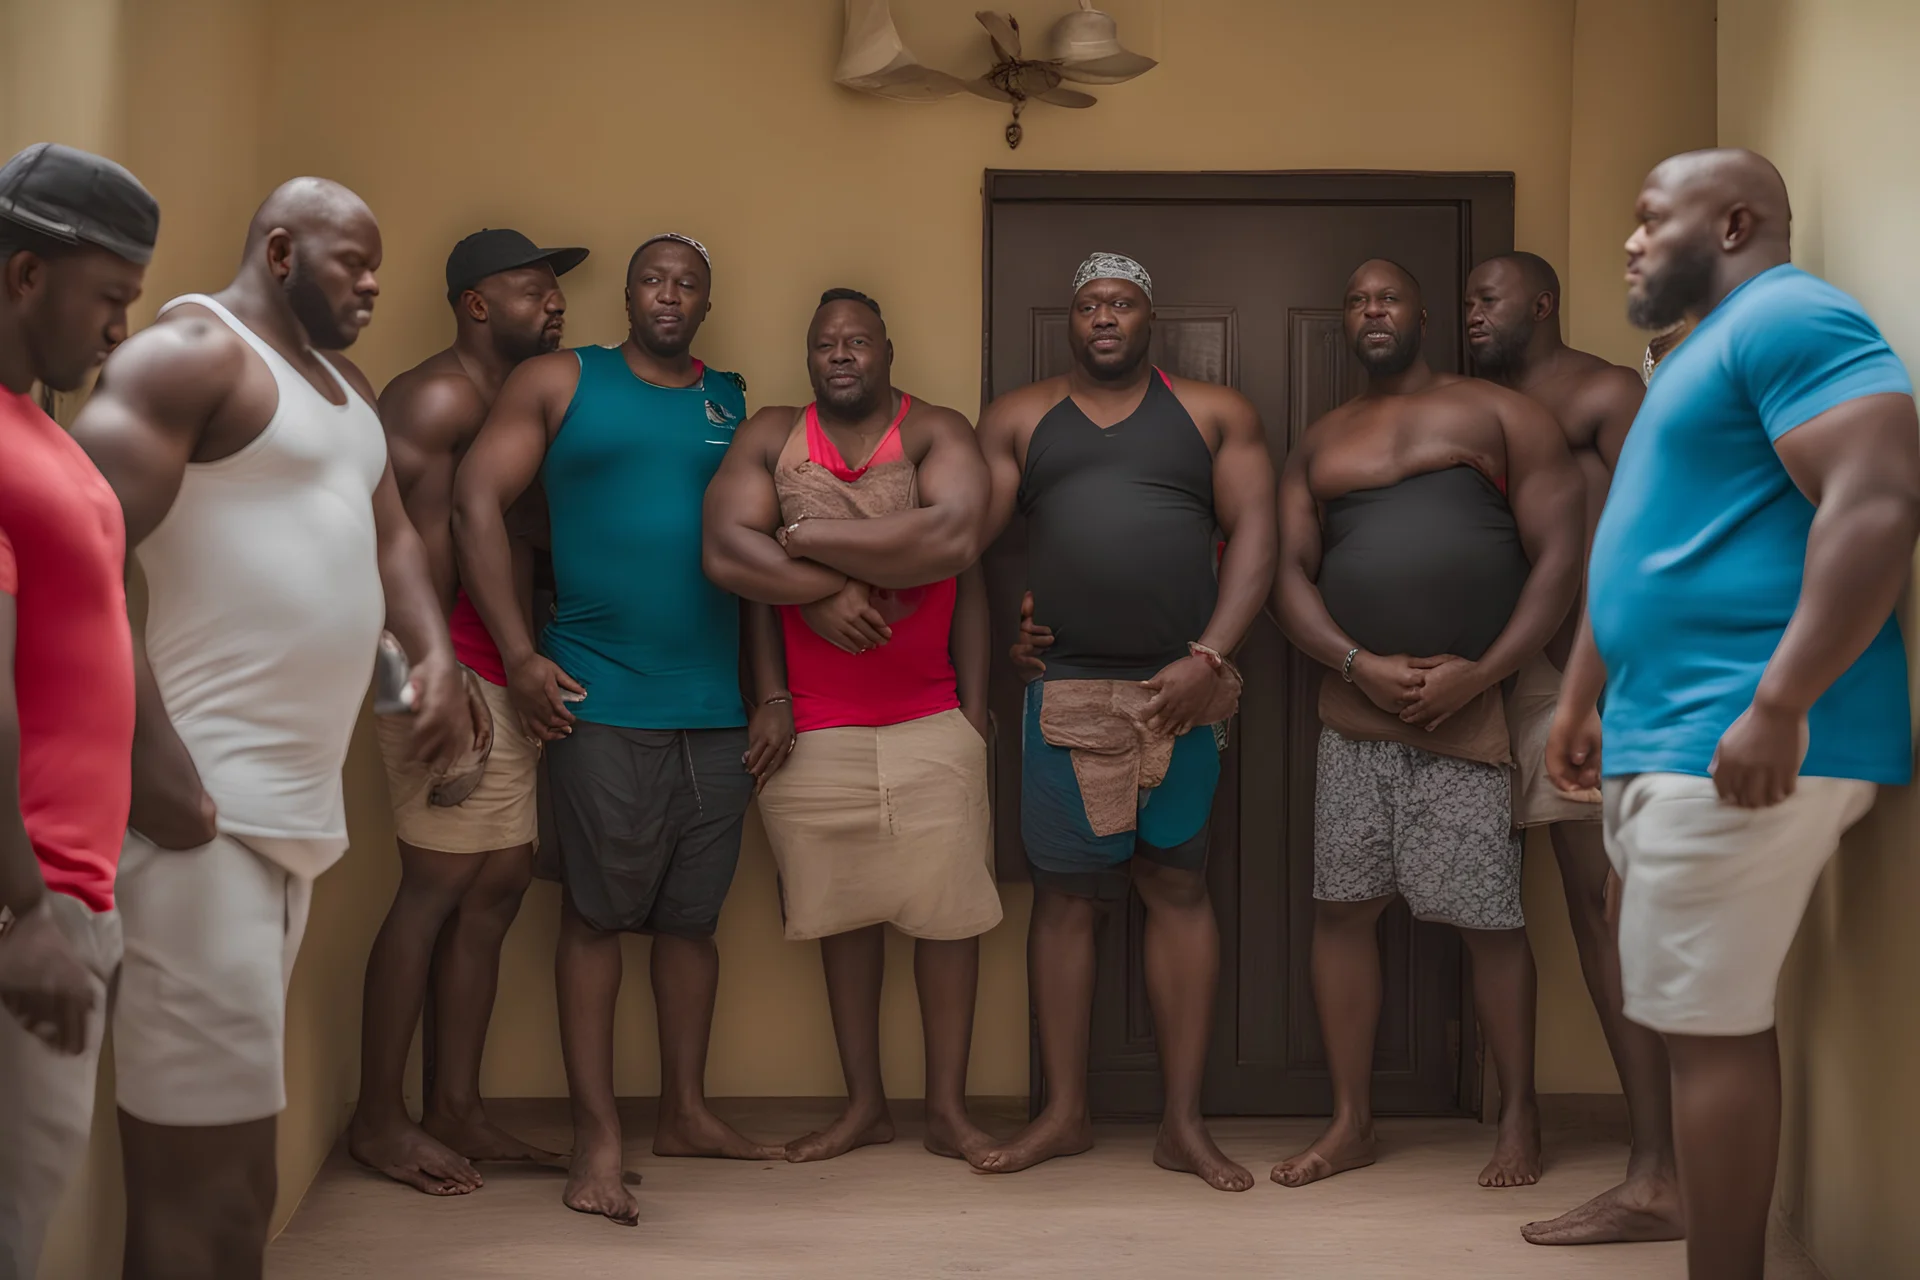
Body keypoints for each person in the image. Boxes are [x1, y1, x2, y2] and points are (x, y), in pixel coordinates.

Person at [69, 177, 474, 1278]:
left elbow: (389, 542)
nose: (376, 285)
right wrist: (159, 771)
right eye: (357, 264)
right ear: (284, 250)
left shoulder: (345, 387)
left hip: (285, 825)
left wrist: (427, 655)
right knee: (207, 1191)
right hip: (203, 820)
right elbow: (72, 566)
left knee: (234, 1188)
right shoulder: (191, 354)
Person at [1549, 148, 1919, 1280]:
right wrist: (1582, 692)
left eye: (1650, 218)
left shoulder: (1794, 316)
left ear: (1735, 221)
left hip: (1740, 736)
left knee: (1708, 1027)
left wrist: (1781, 700)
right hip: (1673, 732)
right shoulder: (1693, 358)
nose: (1629, 241)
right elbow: (1653, 542)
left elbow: (1881, 495)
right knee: (1689, 1010)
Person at [453, 233, 789, 1227]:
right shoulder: (564, 378)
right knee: (598, 918)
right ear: (632, 294)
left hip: (716, 710)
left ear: (707, 301)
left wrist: (770, 694)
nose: (669, 293)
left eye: (690, 280)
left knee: (692, 924)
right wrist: (517, 653)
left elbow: (757, 556)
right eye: (654, 278)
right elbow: (477, 496)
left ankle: (684, 1110)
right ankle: (598, 1134)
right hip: (599, 700)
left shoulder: (728, 398)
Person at [1272, 258, 1582, 1191]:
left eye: (1389, 297)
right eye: (1356, 298)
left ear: (1423, 313)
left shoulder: (1498, 415)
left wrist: (1482, 672)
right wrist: (1354, 661)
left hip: (1469, 707)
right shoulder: (1321, 438)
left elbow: (1561, 558)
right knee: (1342, 908)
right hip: (1354, 709)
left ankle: (1520, 1114)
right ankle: (1351, 1121)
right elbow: (1286, 572)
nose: (1372, 308)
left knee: (1487, 916)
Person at [974, 252, 1277, 1192]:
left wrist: (1209, 658)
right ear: (1071, 320)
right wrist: (1006, 628)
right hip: (1064, 694)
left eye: (1124, 302)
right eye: (1090, 303)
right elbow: (969, 539)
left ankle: (1181, 1125)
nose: (1105, 315)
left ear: (1152, 318)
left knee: (1176, 886)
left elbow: (1259, 540)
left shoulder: (1214, 413)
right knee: (1065, 898)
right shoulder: (1021, 418)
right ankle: (1064, 1113)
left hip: (1179, 691)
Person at [703, 288, 1003, 1164]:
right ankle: (866, 1106)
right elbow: (728, 556)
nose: (841, 354)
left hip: (931, 711)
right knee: (846, 917)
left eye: (858, 341)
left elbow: (954, 543)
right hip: (816, 721)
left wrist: (796, 537)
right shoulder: (770, 434)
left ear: (886, 350)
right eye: (825, 342)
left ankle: (945, 1112)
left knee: (948, 921)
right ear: (809, 355)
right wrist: (824, 595)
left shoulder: (936, 429)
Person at [349, 228, 587, 1193]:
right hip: (430, 669)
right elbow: (377, 538)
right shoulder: (440, 394)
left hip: (494, 667)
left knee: (493, 890)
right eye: (535, 290)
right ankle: (378, 1118)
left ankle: (456, 1107)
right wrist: (424, 675)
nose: (557, 305)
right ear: (478, 304)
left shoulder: (515, 401)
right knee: (434, 888)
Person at [1462, 252, 1683, 1244]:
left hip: (1594, 678)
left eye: (1488, 296)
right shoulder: (1471, 404)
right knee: (1504, 905)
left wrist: (1605, 676)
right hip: (1492, 679)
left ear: (1541, 303)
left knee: (1606, 912)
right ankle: (1536, 1117)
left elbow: (1652, 530)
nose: (1472, 311)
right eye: (1465, 299)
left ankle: (1658, 1165)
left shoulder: (1603, 389)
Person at [0, 142, 156, 1280]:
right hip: (26, 902)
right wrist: (22, 916)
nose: (119, 330)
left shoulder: (43, 434)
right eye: (109, 298)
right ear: (24, 276)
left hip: (70, 890)